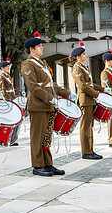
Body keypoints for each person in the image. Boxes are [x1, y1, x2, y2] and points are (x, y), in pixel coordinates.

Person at [21, 33, 71, 176]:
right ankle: (37, 165)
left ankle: (47, 163)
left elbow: (51, 84)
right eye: (39, 46)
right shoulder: (27, 65)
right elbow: (34, 87)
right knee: (37, 136)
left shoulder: (42, 64)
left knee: (47, 136)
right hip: (37, 105)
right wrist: (51, 98)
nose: (42, 48)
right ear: (31, 49)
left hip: (48, 104)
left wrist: (66, 93)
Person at [70, 42, 102, 160]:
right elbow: (82, 86)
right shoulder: (77, 68)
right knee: (85, 126)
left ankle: (90, 149)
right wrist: (96, 95)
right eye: (84, 54)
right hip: (85, 100)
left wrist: (102, 89)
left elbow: (90, 84)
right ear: (78, 57)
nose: (86, 55)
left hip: (90, 99)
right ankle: (86, 151)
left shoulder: (84, 67)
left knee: (90, 126)